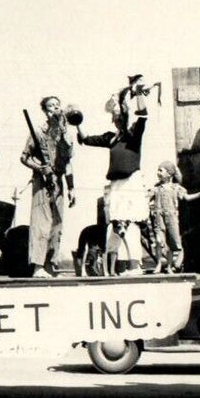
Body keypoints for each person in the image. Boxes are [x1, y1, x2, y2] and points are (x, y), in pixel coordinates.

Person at [75, 75, 161, 275]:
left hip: (131, 181)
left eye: (120, 115)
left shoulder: (134, 136)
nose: (117, 118)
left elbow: (143, 116)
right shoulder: (111, 138)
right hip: (116, 185)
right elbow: (86, 139)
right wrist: (77, 122)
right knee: (115, 225)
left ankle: (135, 265)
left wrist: (139, 93)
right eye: (115, 116)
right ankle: (110, 269)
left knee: (129, 224)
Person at [20, 96, 76, 278]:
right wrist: (39, 168)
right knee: (41, 223)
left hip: (58, 182)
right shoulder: (37, 132)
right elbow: (24, 157)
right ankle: (37, 267)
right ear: (45, 110)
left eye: (57, 105)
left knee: (57, 225)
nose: (55, 109)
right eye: (51, 106)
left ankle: (51, 265)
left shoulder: (64, 134)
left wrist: (71, 188)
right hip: (42, 182)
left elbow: (68, 162)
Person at [150, 160, 200, 273]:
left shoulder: (176, 188)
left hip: (171, 217)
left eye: (161, 170)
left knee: (172, 243)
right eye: (158, 170)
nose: (158, 173)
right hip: (158, 217)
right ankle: (158, 264)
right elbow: (147, 199)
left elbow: (186, 198)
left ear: (169, 174)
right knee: (158, 240)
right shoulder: (156, 188)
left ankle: (169, 266)